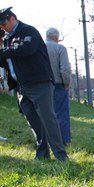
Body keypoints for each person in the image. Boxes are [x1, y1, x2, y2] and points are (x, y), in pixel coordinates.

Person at [0, 7, 68, 161]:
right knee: (34, 122)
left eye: (3, 22)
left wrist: (4, 52)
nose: (2, 26)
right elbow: (7, 59)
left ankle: (61, 155)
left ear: (12, 18)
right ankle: (42, 154)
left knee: (48, 119)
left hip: (39, 83)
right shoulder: (7, 38)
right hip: (21, 87)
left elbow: (27, 49)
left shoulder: (28, 31)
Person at [45, 27, 71, 145]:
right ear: (56, 37)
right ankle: (63, 140)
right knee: (61, 113)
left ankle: (46, 140)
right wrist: (66, 84)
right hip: (58, 84)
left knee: (46, 113)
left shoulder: (39, 47)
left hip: (42, 85)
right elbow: (65, 69)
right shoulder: (60, 49)